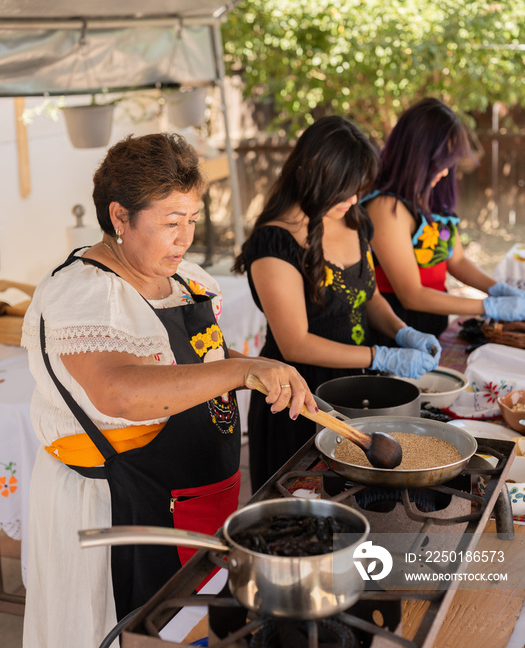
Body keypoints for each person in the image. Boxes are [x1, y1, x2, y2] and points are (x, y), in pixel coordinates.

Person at [20, 133, 317, 648]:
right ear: (119, 216)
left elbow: (202, 370)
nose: (185, 238)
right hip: (124, 511)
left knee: (194, 629)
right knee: (131, 632)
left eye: (192, 220)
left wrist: (258, 373)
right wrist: (242, 369)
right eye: (170, 222)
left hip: (199, 501)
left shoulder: (190, 282)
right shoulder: (83, 292)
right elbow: (119, 393)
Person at [233, 116, 441, 494]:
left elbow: (369, 296)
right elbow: (295, 342)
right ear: (313, 177)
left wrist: (402, 331)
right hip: (297, 399)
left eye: (357, 190)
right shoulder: (274, 243)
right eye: (344, 191)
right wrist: (380, 356)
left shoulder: (355, 220)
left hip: (356, 391)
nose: (353, 200)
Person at [362, 97, 525, 345]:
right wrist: (488, 306)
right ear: (415, 155)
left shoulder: (431, 199)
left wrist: (500, 290)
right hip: (398, 329)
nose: (447, 171)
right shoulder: (386, 207)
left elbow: (456, 260)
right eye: (441, 162)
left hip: (432, 323)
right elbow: (411, 295)